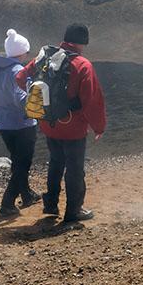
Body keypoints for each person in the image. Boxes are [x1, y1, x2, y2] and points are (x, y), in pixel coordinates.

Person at [17, 23, 106, 222]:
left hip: (49, 123)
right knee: (74, 168)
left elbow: (20, 77)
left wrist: (37, 100)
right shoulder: (83, 65)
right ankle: (74, 211)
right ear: (82, 43)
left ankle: (50, 204)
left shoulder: (45, 57)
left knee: (56, 163)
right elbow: (92, 99)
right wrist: (98, 127)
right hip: (73, 127)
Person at [0, 29, 41, 215]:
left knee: (17, 160)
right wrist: (39, 105)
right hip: (23, 125)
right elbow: (21, 98)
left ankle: (26, 194)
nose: (27, 55)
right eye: (27, 52)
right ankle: (7, 203)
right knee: (23, 164)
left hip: (4, 126)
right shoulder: (18, 71)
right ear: (21, 52)